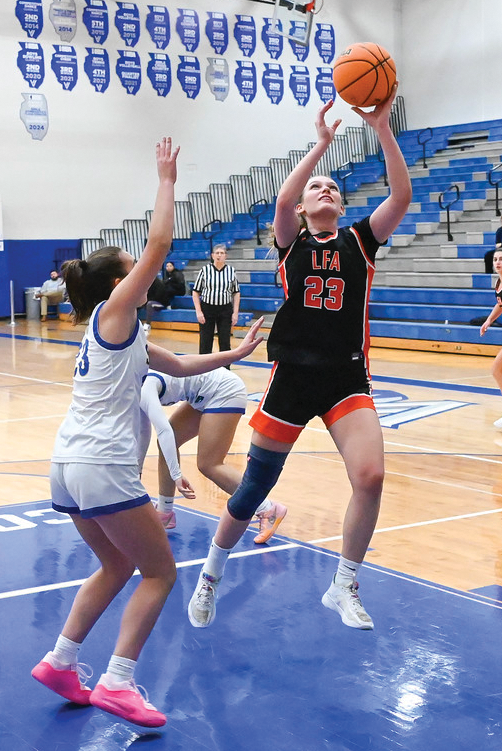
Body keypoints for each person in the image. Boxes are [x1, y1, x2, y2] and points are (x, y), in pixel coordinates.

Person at [30, 137, 264, 728]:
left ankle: (61, 661)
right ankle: (117, 680)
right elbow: (159, 243)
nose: (144, 276)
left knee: (114, 567)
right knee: (160, 572)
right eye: (133, 272)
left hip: (70, 464)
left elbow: (182, 367)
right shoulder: (116, 313)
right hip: (104, 465)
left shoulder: (116, 335)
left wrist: (238, 351)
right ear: (117, 284)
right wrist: (166, 179)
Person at [187, 86, 412, 632]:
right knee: (254, 487)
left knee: (371, 475)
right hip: (291, 376)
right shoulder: (292, 241)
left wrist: (382, 128)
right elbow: (283, 202)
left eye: (334, 186)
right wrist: (320, 148)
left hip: (345, 376)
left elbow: (401, 195)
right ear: (308, 206)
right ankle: (211, 574)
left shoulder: (360, 240)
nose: (327, 189)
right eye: (319, 187)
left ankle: (344, 583)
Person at [138, 368, 287, 542]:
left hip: (224, 390)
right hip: (203, 392)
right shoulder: (130, 384)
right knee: (167, 444)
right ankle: (165, 512)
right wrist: (137, 472)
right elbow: (143, 431)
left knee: (209, 464)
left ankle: (268, 508)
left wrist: (177, 474)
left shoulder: (141, 387)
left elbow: (163, 431)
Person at [192, 244, 240, 355]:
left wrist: (235, 313)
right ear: (212, 255)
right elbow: (195, 292)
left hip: (225, 309)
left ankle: (225, 369)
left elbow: (236, 293)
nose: (219, 255)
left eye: (222, 253)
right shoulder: (205, 270)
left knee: (225, 342)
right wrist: (198, 311)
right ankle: (204, 370)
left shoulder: (231, 271)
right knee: (205, 341)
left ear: (226, 256)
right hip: (207, 308)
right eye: (217, 253)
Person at [480, 248, 502, 428]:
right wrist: (488, 320)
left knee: (497, 368)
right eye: (495, 259)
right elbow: (500, 304)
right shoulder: (498, 282)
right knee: (497, 369)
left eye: (501, 259)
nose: (497, 262)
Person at [143, 261, 186, 331]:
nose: (168, 268)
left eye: (170, 266)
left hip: (163, 302)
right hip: (158, 299)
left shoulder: (157, 282)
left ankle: (148, 324)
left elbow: (160, 295)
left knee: (149, 304)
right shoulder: (165, 276)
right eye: (167, 266)